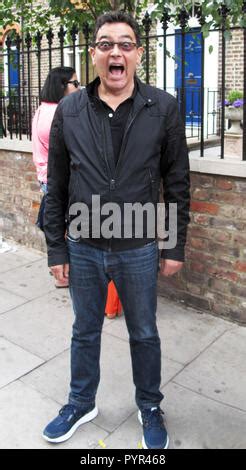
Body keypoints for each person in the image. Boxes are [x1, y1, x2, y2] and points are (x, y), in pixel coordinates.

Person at [42, 11, 190, 449]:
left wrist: (173, 244)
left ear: (138, 54)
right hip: (83, 244)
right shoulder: (69, 109)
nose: (116, 52)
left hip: (140, 244)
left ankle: (149, 404)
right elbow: (57, 185)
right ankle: (80, 401)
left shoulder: (162, 106)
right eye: (106, 44)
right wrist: (56, 250)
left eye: (125, 44)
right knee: (84, 330)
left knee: (144, 332)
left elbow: (177, 181)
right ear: (94, 55)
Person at [32, 66, 80, 287]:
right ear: (62, 86)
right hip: (54, 178)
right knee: (61, 226)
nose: (79, 88)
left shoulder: (44, 108)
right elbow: (67, 151)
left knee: (58, 223)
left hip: (45, 176)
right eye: (75, 84)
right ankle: (63, 276)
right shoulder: (55, 114)